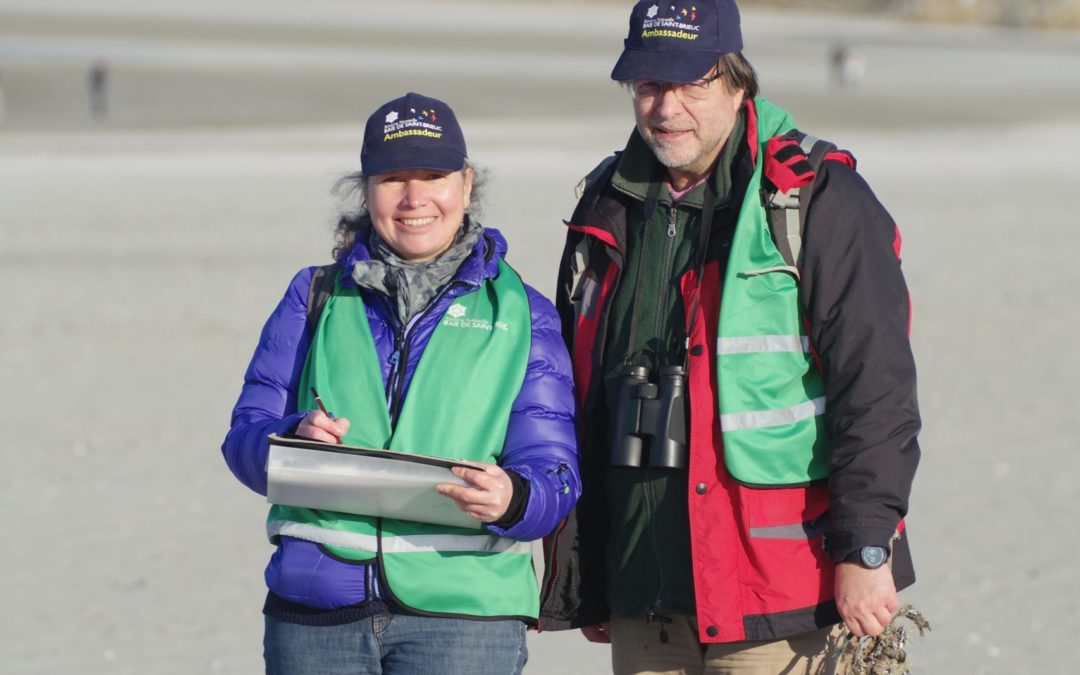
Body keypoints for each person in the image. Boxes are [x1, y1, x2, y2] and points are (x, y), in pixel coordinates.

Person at [538, 1, 920, 673]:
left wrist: (866, 550)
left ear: (740, 83)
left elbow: (877, 389)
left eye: (693, 83)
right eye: (649, 85)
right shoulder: (607, 203)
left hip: (785, 592)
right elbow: (581, 398)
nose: (665, 107)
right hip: (647, 591)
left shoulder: (818, 199)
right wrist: (591, 571)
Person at [223, 92, 580, 675]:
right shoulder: (313, 295)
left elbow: (556, 473)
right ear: (366, 191)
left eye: (434, 176)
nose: (415, 199)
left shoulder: (526, 314)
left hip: (466, 622)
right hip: (315, 612)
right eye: (393, 178)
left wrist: (515, 497)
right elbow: (244, 440)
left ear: (466, 185)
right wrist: (292, 438)